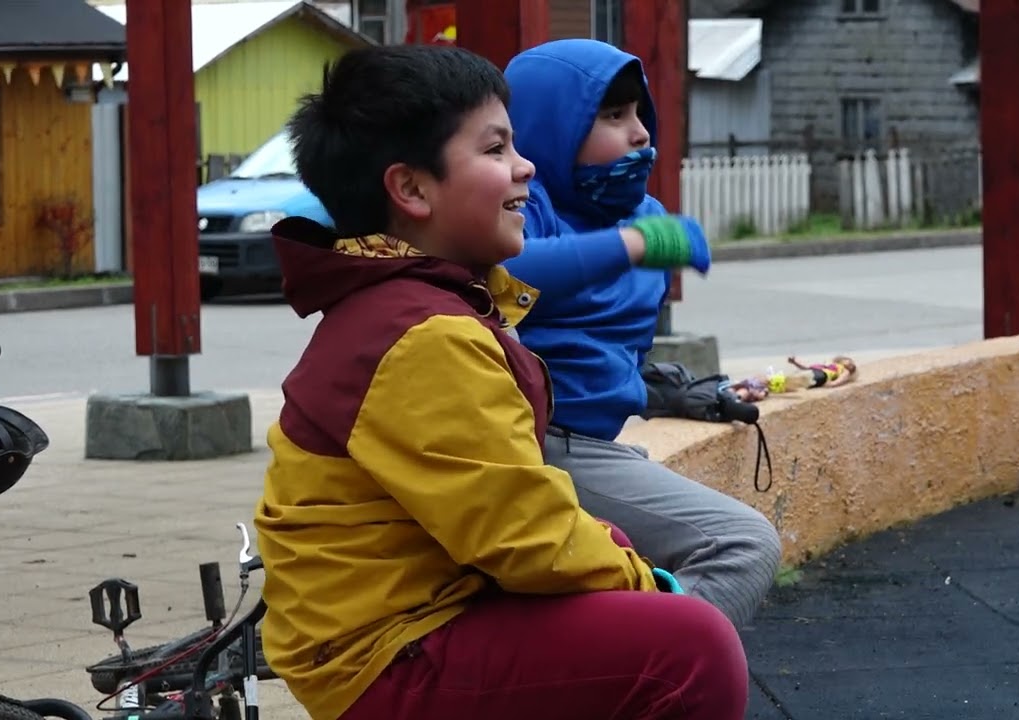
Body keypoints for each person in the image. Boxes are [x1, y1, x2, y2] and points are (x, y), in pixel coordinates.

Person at [252, 45, 749, 720]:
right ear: (411, 190)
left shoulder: (419, 303)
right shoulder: (424, 334)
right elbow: (524, 537)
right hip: (389, 653)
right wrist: (647, 585)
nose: (525, 166)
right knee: (689, 646)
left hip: (411, 617)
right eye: (495, 149)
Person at [502, 38, 783, 629]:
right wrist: (630, 246)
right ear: (551, 126)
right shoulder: (525, 203)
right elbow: (508, 272)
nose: (640, 135)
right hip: (537, 445)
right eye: (612, 115)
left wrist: (663, 388)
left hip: (595, 442)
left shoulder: (644, 215)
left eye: (639, 114)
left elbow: (603, 348)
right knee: (743, 545)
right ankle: (662, 664)